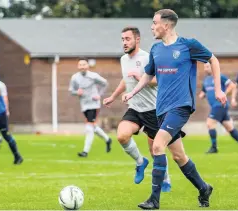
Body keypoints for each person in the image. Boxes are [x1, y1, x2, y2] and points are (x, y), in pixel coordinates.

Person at [123, 9, 227, 209]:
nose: (152, 27)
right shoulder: (155, 49)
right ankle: (204, 188)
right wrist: (132, 93)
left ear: (167, 25)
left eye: (154, 23)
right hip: (161, 109)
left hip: (181, 107)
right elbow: (148, 75)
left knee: (157, 146)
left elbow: (213, 60)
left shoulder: (189, 45)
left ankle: (154, 199)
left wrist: (219, 89)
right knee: (179, 156)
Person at [103, 26, 179, 192]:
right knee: (122, 136)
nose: (124, 42)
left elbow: (160, 80)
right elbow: (125, 80)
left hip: (153, 110)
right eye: (122, 39)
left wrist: (141, 78)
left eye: (127, 39)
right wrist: (113, 96)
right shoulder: (123, 60)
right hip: (135, 109)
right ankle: (139, 162)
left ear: (137, 40)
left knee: (155, 150)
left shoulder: (147, 57)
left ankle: (166, 179)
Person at [199, 63, 238, 153]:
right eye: (205, 67)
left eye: (207, 67)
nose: (206, 69)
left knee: (210, 123)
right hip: (216, 106)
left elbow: (232, 85)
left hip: (219, 105)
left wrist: (224, 94)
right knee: (229, 127)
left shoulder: (219, 76)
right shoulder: (206, 80)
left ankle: (214, 147)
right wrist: (201, 95)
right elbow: (203, 91)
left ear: (212, 67)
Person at [69, 58, 112, 157]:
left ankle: (85, 151)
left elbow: (105, 83)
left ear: (87, 66)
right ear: (78, 67)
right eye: (80, 65)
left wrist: (99, 95)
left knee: (89, 127)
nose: (82, 67)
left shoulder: (93, 76)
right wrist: (77, 92)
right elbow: (71, 90)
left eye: (84, 64)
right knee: (92, 126)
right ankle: (107, 139)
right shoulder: (75, 78)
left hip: (94, 104)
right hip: (84, 104)